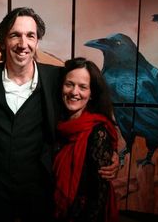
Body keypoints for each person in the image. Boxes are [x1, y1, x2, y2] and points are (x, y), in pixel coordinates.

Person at [0, 7, 119, 222]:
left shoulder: (55, 77)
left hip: (41, 192)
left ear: (37, 41)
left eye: (30, 36)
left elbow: (88, 117)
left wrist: (111, 153)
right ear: (4, 39)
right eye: (15, 35)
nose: (23, 44)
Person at [53, 57, 118, 222]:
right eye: (69, 84)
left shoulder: (98, 131)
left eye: (83, 87)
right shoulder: (58, 125)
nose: (74, 92)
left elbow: (99, 195)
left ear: (91, 94)